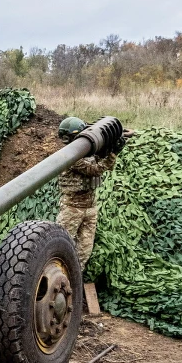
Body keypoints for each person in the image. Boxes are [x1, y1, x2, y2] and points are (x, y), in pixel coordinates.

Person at [55, 116, 123, 276]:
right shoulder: (71, 156)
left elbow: (101, 162)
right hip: (72, 209)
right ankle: (56, 277)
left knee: (84, 251)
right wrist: (113, 155)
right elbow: (94, 170)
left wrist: (110, 148)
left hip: (90, 208)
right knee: (61, 246)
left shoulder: (88, 153)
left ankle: (74, 279)